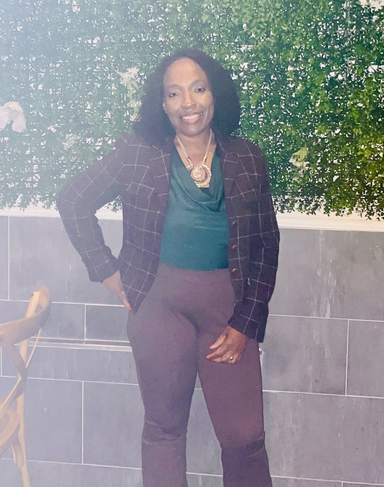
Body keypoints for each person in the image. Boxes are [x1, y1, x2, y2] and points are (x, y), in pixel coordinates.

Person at [57, 49, 280, 487]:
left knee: (245, 437)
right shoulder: (137, 153)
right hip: (158, 306)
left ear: (215, 95)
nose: (187, 103)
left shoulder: (247, 158)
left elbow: (266, 246)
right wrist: (106, 270)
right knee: (164, 429)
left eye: (198, 89)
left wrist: (247, 321)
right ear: (162, 103)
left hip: (228, 311)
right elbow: (73, 200)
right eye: (174, 93)